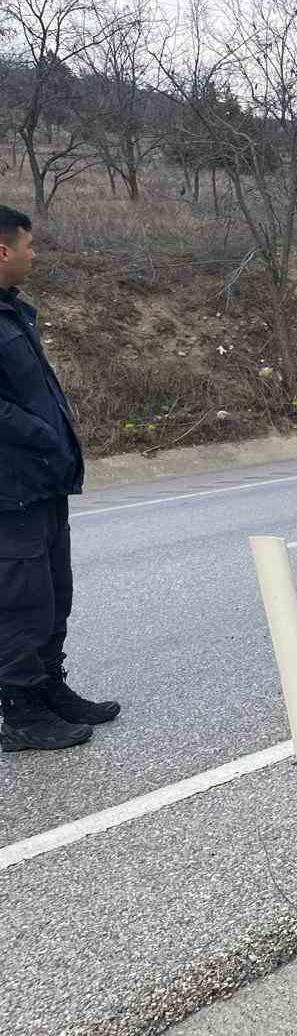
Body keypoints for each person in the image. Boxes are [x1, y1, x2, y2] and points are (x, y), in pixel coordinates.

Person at [0, 205, 120, 753]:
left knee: (53, 595)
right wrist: (41, 434)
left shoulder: (12, 313)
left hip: (41, 484)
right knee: (21, 601)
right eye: (28, 244)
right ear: (4, 250)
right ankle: (19, 710)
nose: (33, 253)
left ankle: (49, 688)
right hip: (9, 491)